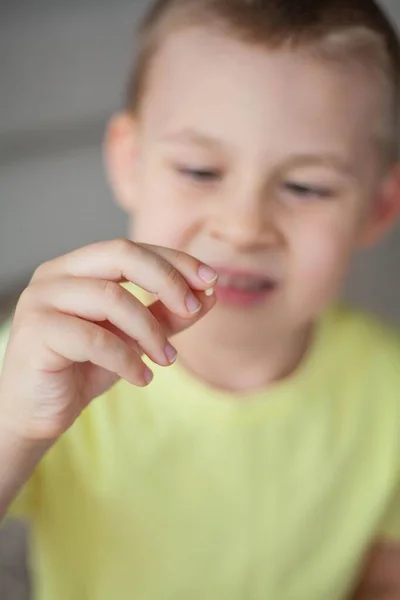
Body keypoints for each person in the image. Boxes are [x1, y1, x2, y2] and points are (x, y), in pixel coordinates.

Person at [1, 0, 400, 598]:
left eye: (305, 186)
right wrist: (17, 424)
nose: (243, 227)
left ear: (378, 208)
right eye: (200, 171)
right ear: (129, 161)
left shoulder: (388, 390)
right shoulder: (43, 362)